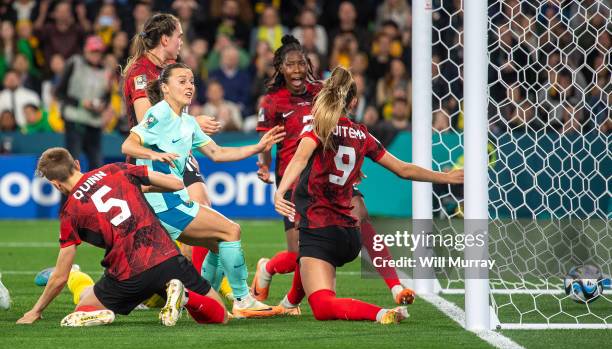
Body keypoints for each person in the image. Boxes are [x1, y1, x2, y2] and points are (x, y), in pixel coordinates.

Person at [274, 67, 464, 323]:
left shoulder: (319, 129)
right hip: (350, 238)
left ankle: (381, 313)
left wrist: (281, 190)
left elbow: (299, 158)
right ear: (354, 102)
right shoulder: (362, 134)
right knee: (320, 246)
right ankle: (288, 303)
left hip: (320, 232)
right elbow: (404, 170)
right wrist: (446, 177)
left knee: (321, 304)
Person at [252, 35, 416, 314]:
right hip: (295, 179)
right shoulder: (271, 102)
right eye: (290, 65)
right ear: (279, 68)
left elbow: (343, 116)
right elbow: (268, 140)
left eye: (301, 63)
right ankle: (270, 272)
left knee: (360, 213)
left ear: (308, 65)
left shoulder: (322, 91)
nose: (297, 69)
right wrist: (264, 164)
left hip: (328, 176)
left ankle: (395, 285)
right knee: (297, 254)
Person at [121, 63, 285, 318]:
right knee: (231, 230)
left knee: (219, 244)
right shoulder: (159, 113)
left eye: (191, 81)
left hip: (174, 199)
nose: (189, 86)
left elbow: (217, 153)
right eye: (182, 81)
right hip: (161, 202)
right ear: (165, 88)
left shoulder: (187, 121)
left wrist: (257, 147)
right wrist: (155, 154)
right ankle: (242, 300)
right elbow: (128, 146)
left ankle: (199, 301)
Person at [16, 147, 228, 327]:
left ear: (55, 184)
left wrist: (35, 311)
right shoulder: (116, 169)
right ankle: (186, 297)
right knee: (219, 314)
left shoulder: (69, 214)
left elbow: (60, 276)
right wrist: (138, 188)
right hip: (166, 258)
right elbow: (175, 184)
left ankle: (103, 312)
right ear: (78, 165)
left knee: (84, 306)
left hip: (126, 276)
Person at [122, 12, 218, 265]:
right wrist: (193, 121)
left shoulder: (169, 70)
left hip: (179, 152)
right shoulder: (140, 72)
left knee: (200, 208)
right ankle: (176, 286)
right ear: (165, 39)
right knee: (154, 230)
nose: (181, 42)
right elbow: (146, 122)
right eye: (179, 37)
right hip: (152, 157)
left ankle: (191, 287)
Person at [55, 35, 110, 171]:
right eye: (93, 51)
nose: (96, 55)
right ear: (86, 50)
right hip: (74, 121)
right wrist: (80, 103)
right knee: (72, 163)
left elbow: (106, 97)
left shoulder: (106, 71)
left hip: (94, 123)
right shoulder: (74, 63)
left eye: (98, 52)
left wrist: (103, 105)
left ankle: (94, 192)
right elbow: (59, 92)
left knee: (97, 164)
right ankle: (68, 192)